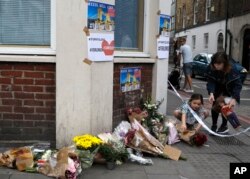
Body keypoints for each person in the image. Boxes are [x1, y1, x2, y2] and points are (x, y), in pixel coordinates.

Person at [206, 52, 243, 133]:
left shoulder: (233, 69)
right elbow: (210, 81)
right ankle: (214, 125)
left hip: (229, 88)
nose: (217, 66)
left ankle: (224, 125)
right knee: (215, 105)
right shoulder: (211, 67)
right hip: (217, 87)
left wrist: (234, 98)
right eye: (215, 63)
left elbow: (238, 85)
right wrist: (211, 93)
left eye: (219, 64)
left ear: (225, 63)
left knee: (225, 107)